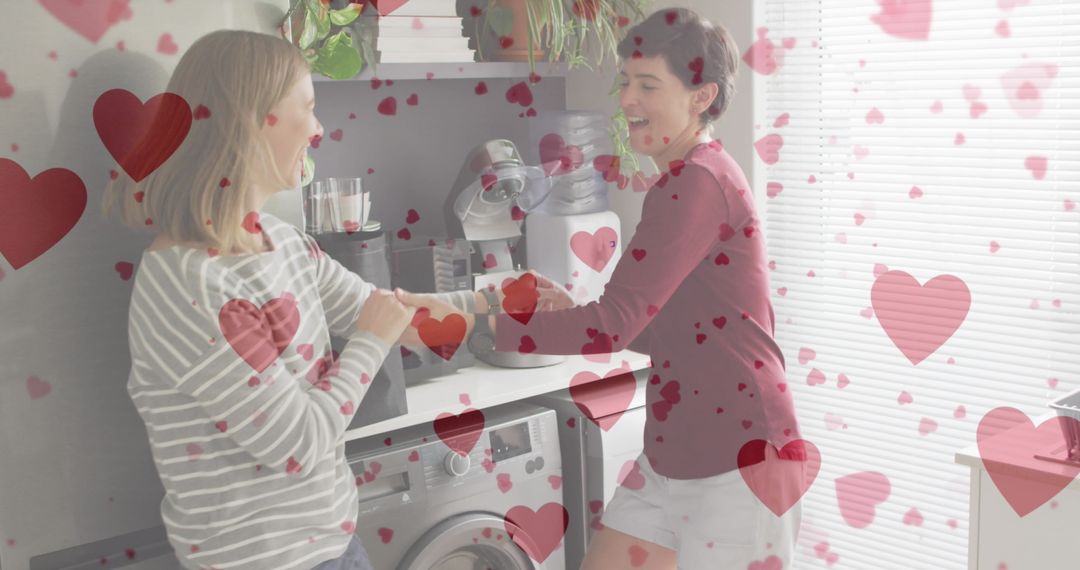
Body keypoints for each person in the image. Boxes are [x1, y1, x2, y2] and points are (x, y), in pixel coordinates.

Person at [398, 7, 807, 570]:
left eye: (648, 85)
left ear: (701, 96)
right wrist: (571, 312)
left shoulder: (696, 184)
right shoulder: (688, 178)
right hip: (678, 451)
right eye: (626, 82)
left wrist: (467, 326)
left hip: (738, 460)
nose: (627, 100)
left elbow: (610, 327)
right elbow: (653, 325)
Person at [101, 30, 484, 570]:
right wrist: (371, 339)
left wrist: (500, 303)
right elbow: (298, 444)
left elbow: (390, 313)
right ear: (251, 121)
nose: (318, 128)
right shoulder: (186, 283)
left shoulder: (281, 242)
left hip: (336, 545)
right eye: (307, 107)